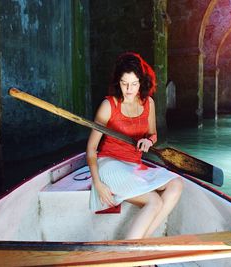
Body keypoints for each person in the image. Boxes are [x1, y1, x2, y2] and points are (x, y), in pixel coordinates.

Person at [87, 52, 183, 239]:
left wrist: (148, 141)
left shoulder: (149, 104)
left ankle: (140, 244)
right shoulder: (109, 105)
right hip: (109, 164)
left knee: (177, 184)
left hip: (134, 166)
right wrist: (97, 183)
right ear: (118, 82)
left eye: (134, 83)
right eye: (124, 83)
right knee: (154, 201)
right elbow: (91, 148)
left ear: (142, 82)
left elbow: (152, 134)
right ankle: (133, 251)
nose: (129, 89)